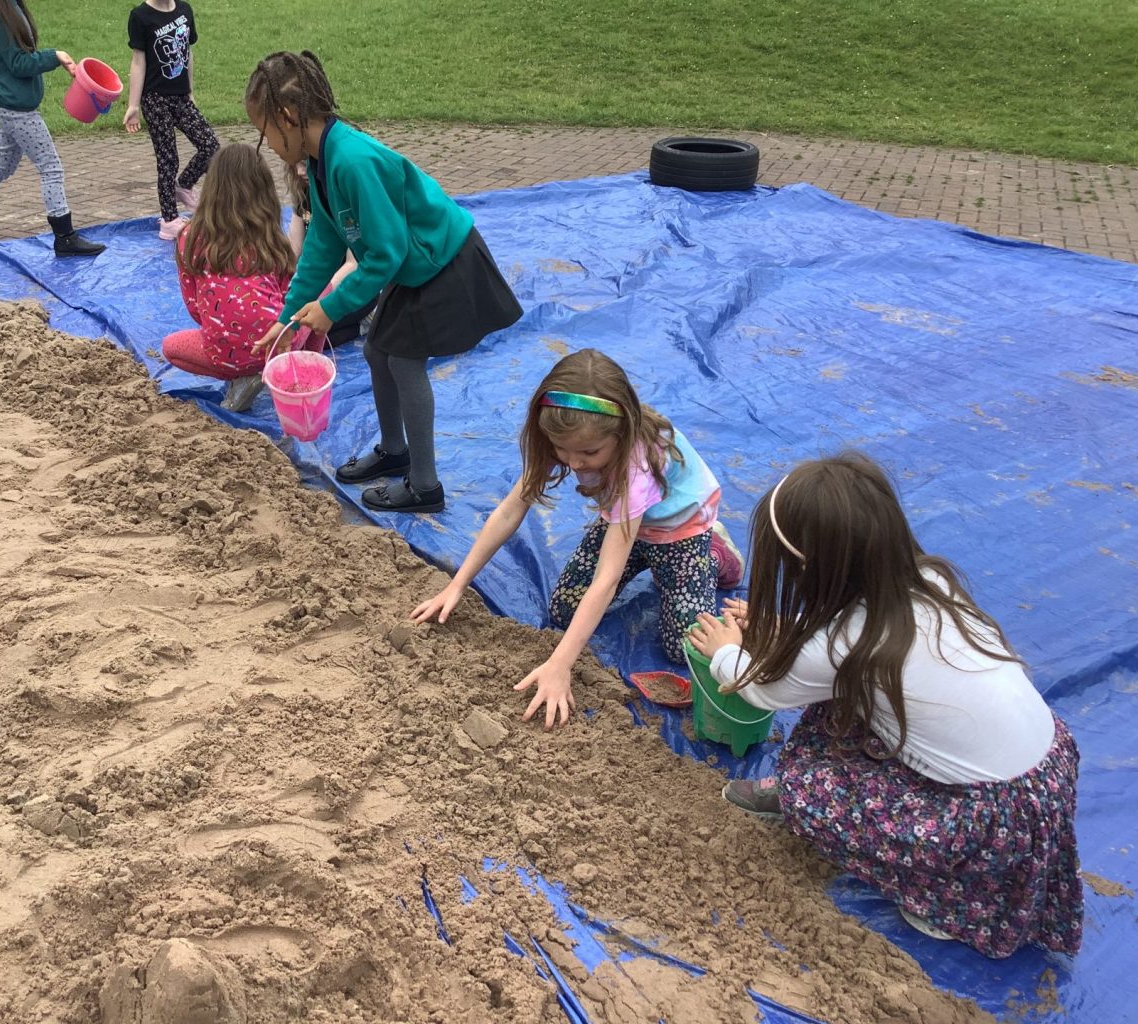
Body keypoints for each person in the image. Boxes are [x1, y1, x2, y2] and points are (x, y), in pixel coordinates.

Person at [688, 452, 1082, 959]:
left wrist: (726, 652)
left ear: (810, 568)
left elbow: (765, 690)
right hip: (1045, 770)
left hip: (993, 816)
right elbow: (832, 641)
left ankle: (950, 901)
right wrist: (778, 629)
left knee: (807, 793)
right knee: (842, 702)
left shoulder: (846, 645)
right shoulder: (929, 581)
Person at [246, 50, 523, 514]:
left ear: (288, 116)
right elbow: (323, 244)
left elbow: (386, 253)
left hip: (442, 259)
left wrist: (331, 308)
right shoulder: (321, 161)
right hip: (412, 262)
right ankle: (395, 451)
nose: (268, 145)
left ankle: (425, 486)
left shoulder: (352, 161)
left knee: (405, 361)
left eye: (265, 131)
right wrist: (288, 316)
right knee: (377, 350)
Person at [413, 349, 742, 728]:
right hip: (625, 524)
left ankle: (714, 555)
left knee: (684, 646)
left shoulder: (635, 470)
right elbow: (509, 511)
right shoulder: (570, 438)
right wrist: (457, 584)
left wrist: (560, 664)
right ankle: (659, 557)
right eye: (562, 450)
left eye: (589, 452)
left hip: (679, 530)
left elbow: (607, 580)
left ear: (622, 434)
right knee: (564, 611)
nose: (574, 462)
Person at [163, 144, 324, 412]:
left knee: (170, 347)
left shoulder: (189, 237)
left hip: (223, 353)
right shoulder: (268, 236)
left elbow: (194, 306)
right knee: (317, 299)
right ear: (263, 189)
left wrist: (225, 329)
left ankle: (243, 376)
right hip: (280, 344)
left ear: (212, 187)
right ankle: (303, 369)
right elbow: (292, 296)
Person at [0, 0, 105, 256]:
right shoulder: (0, 14)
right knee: (51, 167)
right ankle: (64, 236)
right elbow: (19, 63)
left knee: (3, 162)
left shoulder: (7, 6)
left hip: (6, 102)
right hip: (16, 110)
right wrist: (55, 56)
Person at [123, 0, 220, 240]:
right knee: (168, 159)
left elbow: (187, 52)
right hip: (154, 98)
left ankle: (183, 185)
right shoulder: (140, 16)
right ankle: (169, 220)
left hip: (181, 96)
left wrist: (190, 91)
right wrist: (133, 105)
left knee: (211, 146)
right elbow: (138, 61)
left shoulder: (185, 10)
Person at [282, 161, 372, 346]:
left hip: (351, 287)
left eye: (304, 164)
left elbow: (353, 264)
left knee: (312, 332)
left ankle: (366, 321)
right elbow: (294, 249)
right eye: (295, 165)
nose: (299, 171)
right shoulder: (305, 194)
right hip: (318, 282)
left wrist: (321, 298)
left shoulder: (346, 199)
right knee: (293, 331)